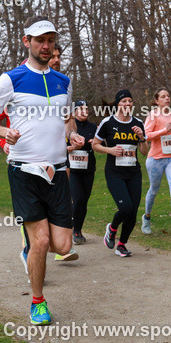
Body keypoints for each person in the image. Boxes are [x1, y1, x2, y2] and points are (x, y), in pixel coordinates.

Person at [0, 16, 82, 325]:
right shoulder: (12, 79)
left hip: (58, 172)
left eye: (50, 40)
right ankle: (38, 302)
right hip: (24, 170)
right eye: (39, 40)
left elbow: (65, 119)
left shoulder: (64, 81)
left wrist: (70, 134)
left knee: (62, 245)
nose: (45, 45)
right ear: (27, 42)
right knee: (43, 242)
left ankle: (29, 247)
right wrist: (1, 132)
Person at [93, 89, 146, 258]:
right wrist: (110, 150)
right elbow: (95, 144)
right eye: (124, 101)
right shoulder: (107, 122)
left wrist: (142, 138)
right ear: (117, 104)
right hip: (115, 172)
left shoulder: (138, 122)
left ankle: (122, 244)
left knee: (133, 211)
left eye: (130, 101)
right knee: (125, 207)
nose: (127, 104)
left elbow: (144, 151)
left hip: (134, 172)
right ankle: (112, 228)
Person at [141, 88, 171, 238]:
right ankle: (147, 218)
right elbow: (146, 136)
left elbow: (170, 135)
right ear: (157, 101)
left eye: (168, 96)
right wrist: (163, 130)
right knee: (154, 190)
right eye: (163, 97)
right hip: (155, 159)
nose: (167, 98)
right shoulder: (152, 115)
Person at [68, 100, 97, 246]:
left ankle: (78, 230)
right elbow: (61, 145)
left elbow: (101, 144)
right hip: (73, 169)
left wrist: (95, 143)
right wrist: (71, 147)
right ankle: (72, 229)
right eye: (80, 109)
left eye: (86, 108)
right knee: (77, 199)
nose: (84, 111)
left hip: (88, 167)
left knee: (84, 201)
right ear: (74, 112)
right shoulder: (69, 127)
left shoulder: (93, 127)